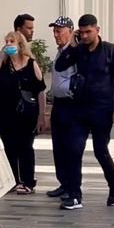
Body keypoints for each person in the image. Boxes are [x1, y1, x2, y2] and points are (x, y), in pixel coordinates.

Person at [55, 14, 114, 210]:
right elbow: (60, 65)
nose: (85, 36)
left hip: (103, 109)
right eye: (82, 32)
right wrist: (71, 44)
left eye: (89, 31)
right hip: (80, 108)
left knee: (100, 150)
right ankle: (75, 195)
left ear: (97, 30)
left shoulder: (110, 51)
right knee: (74, 149)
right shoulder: (78, 50)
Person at [0, 31, 46, 194]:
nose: (8, 44)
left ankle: (28, 181)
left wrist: (41, 115)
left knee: (25, 146)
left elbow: (40, 91)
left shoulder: (31, 64)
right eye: (6, 41)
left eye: (12, 41)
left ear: (20, 45)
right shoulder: (4, 65)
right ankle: (13, 180)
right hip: (5, 112)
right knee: (9, 146)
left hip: (26, 113)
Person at [46, 16, 77, 199]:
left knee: (69, 146)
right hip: (58, 103)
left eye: (60, 31)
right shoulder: (60, 52)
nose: (56, 35)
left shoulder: (74, 51)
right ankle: (63, 182)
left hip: (70, 104)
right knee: (58, 145)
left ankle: (71, 185)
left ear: (70, 31)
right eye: (54, 31)